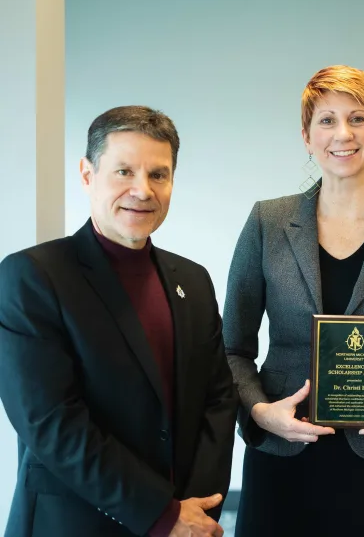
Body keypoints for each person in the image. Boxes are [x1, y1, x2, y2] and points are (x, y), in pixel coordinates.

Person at [224, 65, 364, 537]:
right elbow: (232, 349)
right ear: (307, 137)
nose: (342, 133)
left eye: (357, 118)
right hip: (285, 453)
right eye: (326, 120)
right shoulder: (268, 221)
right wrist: (259, 411)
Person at [0, 106, 238, 537]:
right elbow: (51, 423)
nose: (142, 190)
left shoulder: (194, 281)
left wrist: (196, 512)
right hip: (74, 525)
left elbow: (218, 400)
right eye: (124, 171)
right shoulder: (34, 277)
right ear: (88, 175)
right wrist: (161, 515)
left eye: (159, 175)